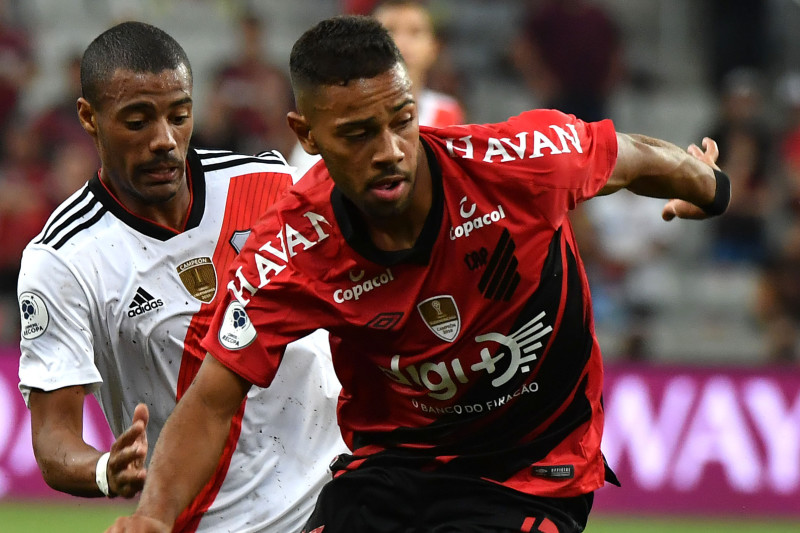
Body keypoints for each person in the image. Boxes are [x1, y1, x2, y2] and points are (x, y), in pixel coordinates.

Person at [107, 15, 730, 533]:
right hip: (391, 469)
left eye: (400, 120)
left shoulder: (515, 166)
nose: (388, 150)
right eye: (355, 134)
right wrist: (155, 518)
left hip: (528, 471)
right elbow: (215, 397)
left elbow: (635, 157)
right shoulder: (289, 249)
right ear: (308, 134)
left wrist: (711, 187)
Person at [16, 21, 346, 533]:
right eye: (137, 121)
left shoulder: (267, 183)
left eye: (179, 115)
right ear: (89, 117)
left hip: (343, 489)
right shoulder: (62, 258)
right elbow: (55, 438)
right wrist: (105, 469)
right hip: (217, 521)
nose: (164, 140)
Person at [289, 0, 465, 176]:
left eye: (415, 32)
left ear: (434, 47)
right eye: (389, 30)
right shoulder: (335, 117)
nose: (402, 43)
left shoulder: (448, 112)